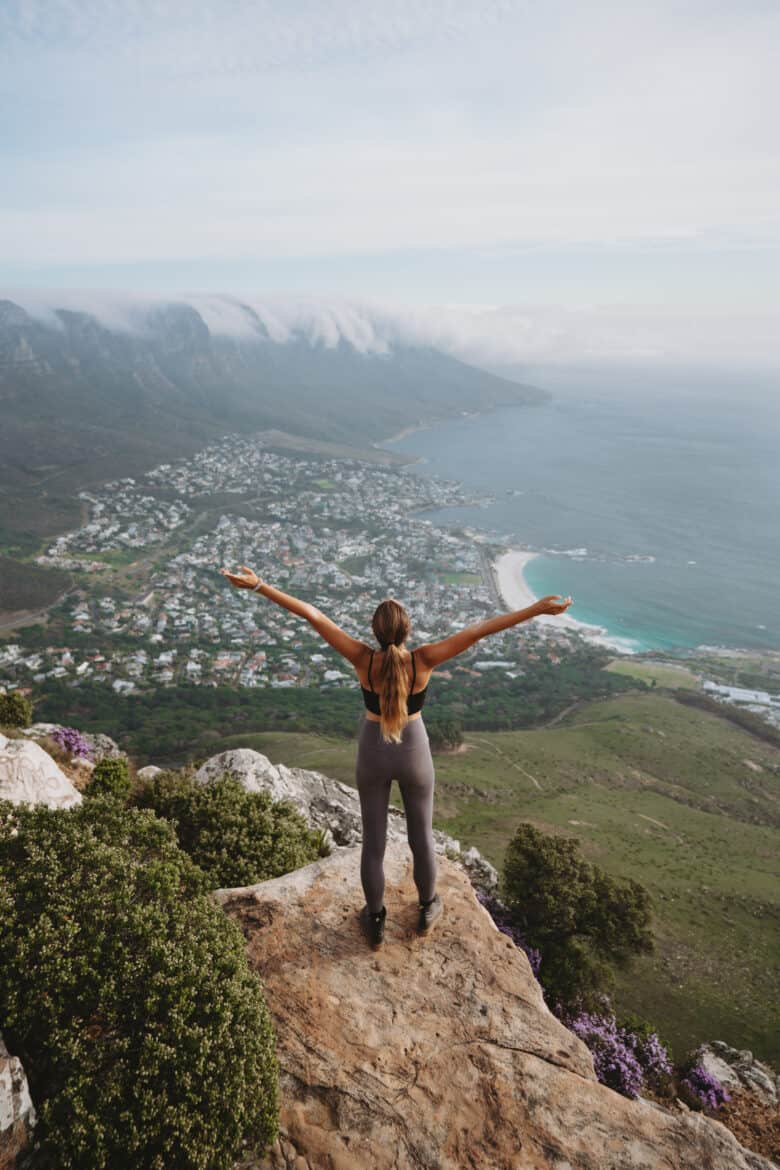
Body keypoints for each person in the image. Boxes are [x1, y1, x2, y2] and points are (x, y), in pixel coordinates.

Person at [219, 563, 573, 948]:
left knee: (374, 842)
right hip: (414, 751)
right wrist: (537, 609)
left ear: (375, 631)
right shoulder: (423, 660)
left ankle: (374, 919)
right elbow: (480, 630)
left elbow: (312, 614)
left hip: (373, 748)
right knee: (421, 835)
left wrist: (259, 585)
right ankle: (427, 907)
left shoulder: (363, 660)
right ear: (407, 631)